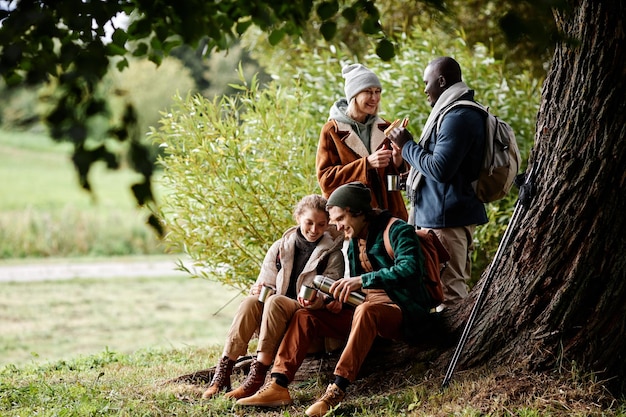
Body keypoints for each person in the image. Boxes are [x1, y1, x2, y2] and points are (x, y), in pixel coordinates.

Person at [236, 182, 433, 417]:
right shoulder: (354, 240)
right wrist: (336, 300)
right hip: (364, 308)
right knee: (305, 314)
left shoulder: (398, 230)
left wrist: (361, 281)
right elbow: (358, 292)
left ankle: (337, 389)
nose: (336, 226)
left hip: (403, 311)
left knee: (367, 311)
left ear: (358, 212)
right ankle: (278, 384)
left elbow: (411, 269)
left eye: (339, 219)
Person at [201, 194, 345, 400]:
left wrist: (318, 300)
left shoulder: (332, 253)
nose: (315, 230)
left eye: (321, 224)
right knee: (250, 301)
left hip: (304, 321)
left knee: (276, 300)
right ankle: (223, 373)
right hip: (273, 318)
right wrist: (258, 289)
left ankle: (257, 376)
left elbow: (330, 292)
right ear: (298, 218)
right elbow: (265, 281)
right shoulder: (280, 246)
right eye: (309, 223)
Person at [388, 56, 488, 306]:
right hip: (440, 217)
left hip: (447, 221)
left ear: (441, 81)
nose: (424, 89)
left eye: (427, 82)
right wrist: (407, 176)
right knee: (434, 289)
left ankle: (460, 346)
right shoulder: (450, 113)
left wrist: (406, 145)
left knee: (450, 293)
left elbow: (439, 169)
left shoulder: (459, 116)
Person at [316, 63, 409, 221]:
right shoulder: (332, 131)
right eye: (368, 92)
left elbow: (397, 185)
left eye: (377, 91)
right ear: (354, 95)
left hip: (392, 220)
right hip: (354, 221)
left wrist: (398, 161)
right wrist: (366, 164)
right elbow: (326, 181)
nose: (374, 98)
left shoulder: (386, 128)